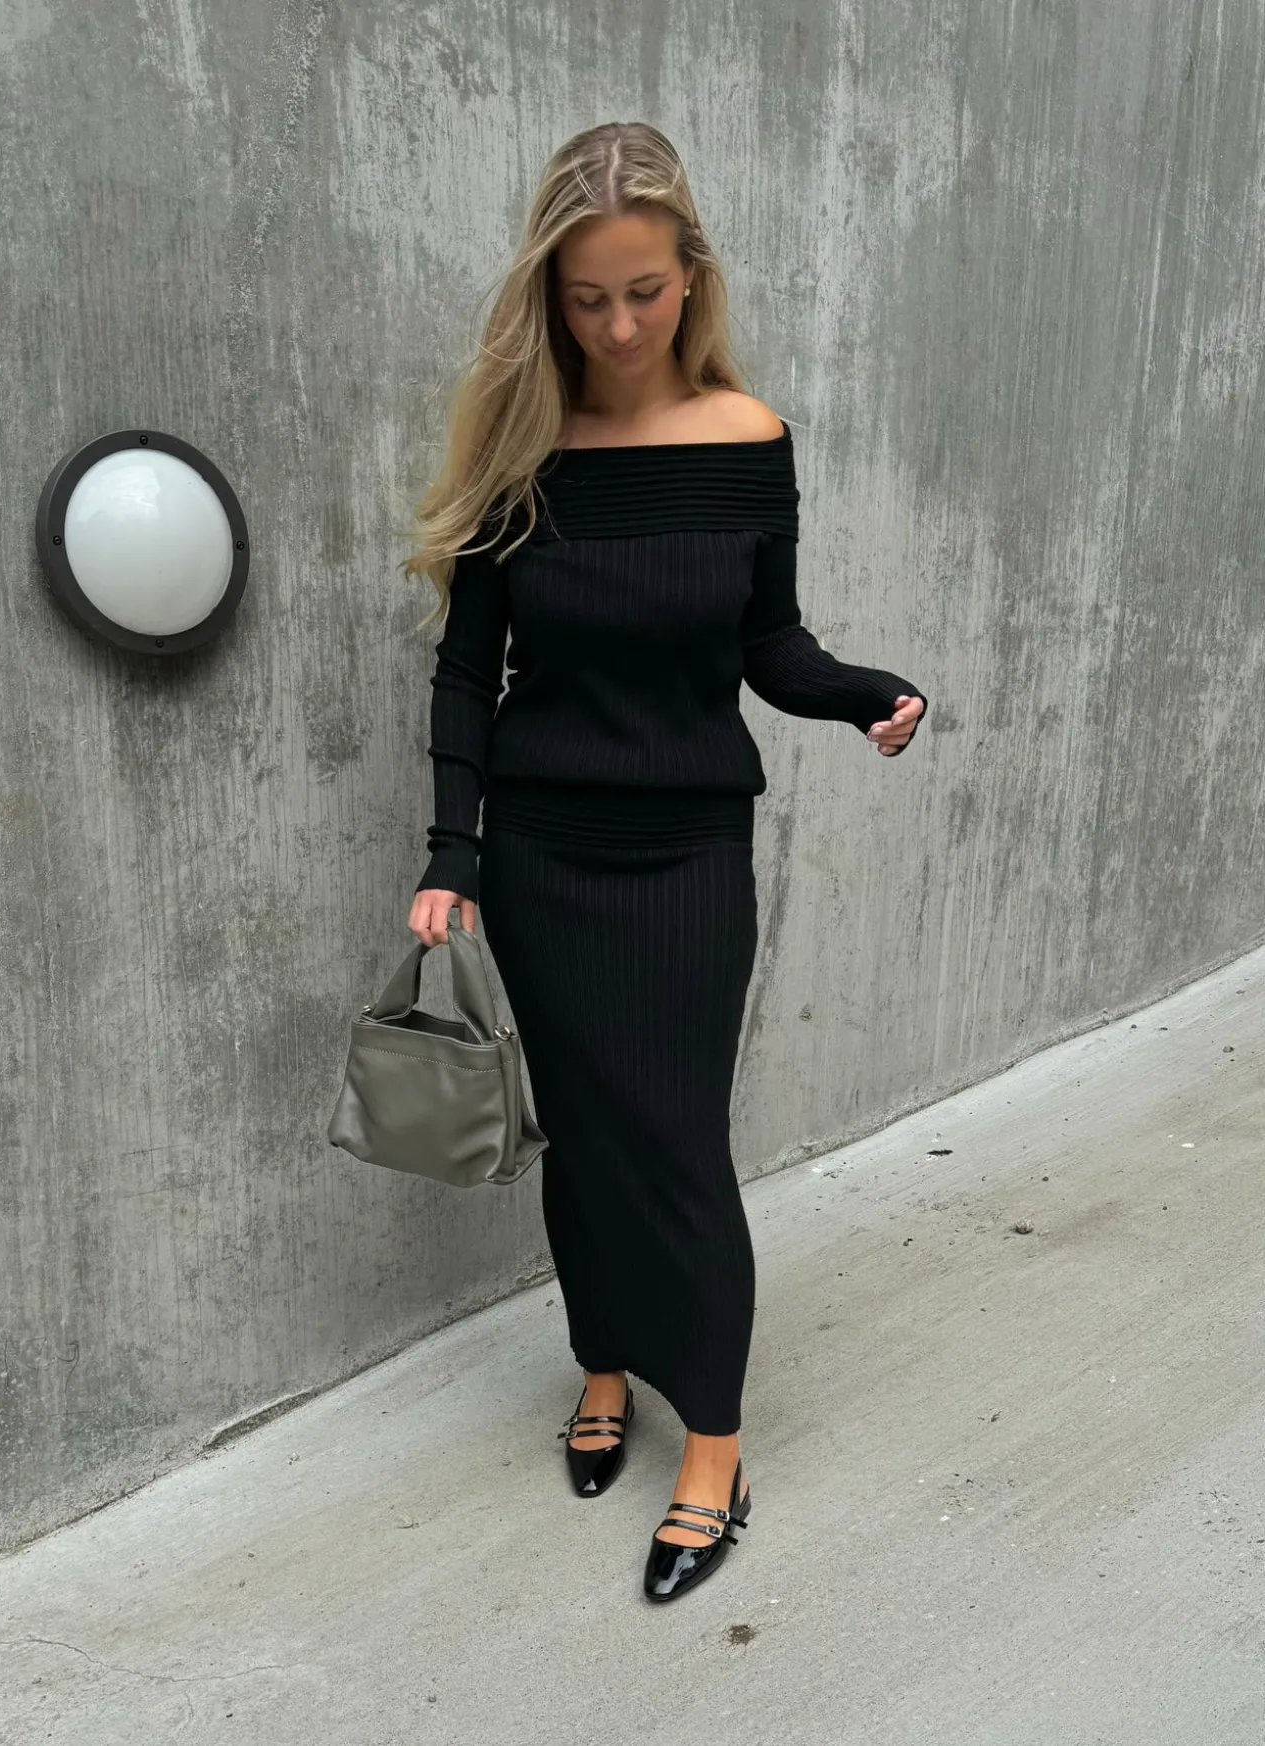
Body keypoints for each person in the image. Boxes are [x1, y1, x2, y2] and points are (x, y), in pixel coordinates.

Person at [404, 121, 928, 1604]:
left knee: (679, 1144)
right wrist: (452, 851)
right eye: (587, 298)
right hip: (543, 857)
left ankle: (713, 1443)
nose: (619, 325)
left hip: (689, 849)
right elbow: (468, 673)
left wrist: (860, 693)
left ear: (688, 277)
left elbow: (769, 643)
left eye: (642, 291)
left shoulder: (749, 439)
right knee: (584, 1135)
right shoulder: (520, 456)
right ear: (549, 297)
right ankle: (601, 1363)